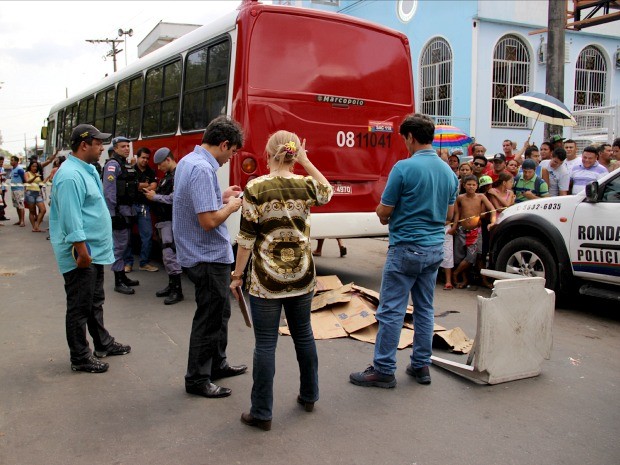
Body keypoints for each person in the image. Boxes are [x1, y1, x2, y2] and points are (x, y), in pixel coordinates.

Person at [230, 130, 333, 431]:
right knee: (304, 335)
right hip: (302, 275)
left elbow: (246, 239)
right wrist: (307, 161)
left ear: (268, 151)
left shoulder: (256, 187)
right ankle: (310, 395)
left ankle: (261, 413)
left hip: (265, 280)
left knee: (265, 345)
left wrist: (237, 276)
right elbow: (327, 192)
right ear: (293, 153)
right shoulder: (305, 185)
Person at [349, 114, 458, 388]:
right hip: (434, 249)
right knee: (425, 309)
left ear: (410, 137)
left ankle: (384, 369)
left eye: (404, 139)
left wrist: (386, 214)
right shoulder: (449, 172)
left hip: (406, 247)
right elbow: (449, 213)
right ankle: (421, 365)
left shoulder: (403, 168)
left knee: (391, 310)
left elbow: (384, 211)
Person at [173, 116, 247, 399]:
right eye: (232, 152)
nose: (231, 158)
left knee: (220, 313)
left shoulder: (189, 161)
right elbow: (208, 221)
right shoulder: (203, 169)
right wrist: (231, 205)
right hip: (206, 255)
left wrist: (221, 195)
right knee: (209, 318)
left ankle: (217, 363)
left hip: (200, 253)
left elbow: (198, 203)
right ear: (224, 144)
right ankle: (198, 379)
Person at [49, 124, 131, 373]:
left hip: (92, 251)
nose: (102, 148)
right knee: (80, 306)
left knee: (94, 300)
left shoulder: (87, 170)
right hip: (81, 253)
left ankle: (102, 343)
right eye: (98, 143)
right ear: (84, 145)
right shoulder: (70, 176)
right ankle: (80, 357)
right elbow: (71, 219)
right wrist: (82, 252)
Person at [144, 147, 183, 305]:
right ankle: (171, 285)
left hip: (170, 219)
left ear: (168, 159)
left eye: (160, 164)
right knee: (166, 254)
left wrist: (155, 197)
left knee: (169, 254)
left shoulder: (178, 175)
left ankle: (177, 290)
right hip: (163, 220)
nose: (159, 168)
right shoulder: (168, 175)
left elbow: (175, 198)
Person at [103, 136, 140, 294]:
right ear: (115, 148)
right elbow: (109, 192)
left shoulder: (124, 165)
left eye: (128, 146)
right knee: (119, 247)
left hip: (127, 210)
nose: (126, 149)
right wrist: (113, 214)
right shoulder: (113, 165)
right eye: (123, 146)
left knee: (125, 245)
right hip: (119, 212)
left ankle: (123, 276)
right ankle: (118, 281)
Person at [450, 175, 496, 289]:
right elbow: (457, 214)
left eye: (473, 185)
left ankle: (455, 273)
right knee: (460, 257)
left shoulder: (481, 197)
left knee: (471, 257)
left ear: (477, 186)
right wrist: (454, 226)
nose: (471, 187)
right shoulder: (460, 198)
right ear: (464, 185)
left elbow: (493, 210)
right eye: (469, 184)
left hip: (475, 232)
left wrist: (492, 222)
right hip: (461, 231)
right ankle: (464, 280)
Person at [124, 147, 158, 273]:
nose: (145, 160)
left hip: (144, 207)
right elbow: (130, 187)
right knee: (127, 236)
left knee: (147, 235)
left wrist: (140, 186)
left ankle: (144, 263)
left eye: (147, 158)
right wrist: (142, 186)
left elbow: (154, 186)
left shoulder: (150, 171)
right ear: (137, 157)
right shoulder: (130, 169)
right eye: (143, 157)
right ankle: (128, 263)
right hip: (130, 206)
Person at [24, 160, 47, 232]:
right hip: (30, 193)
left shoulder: (37, 174)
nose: (35, 168)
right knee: (32, 211)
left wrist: (47, 179)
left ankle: (37, 225)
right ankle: (34, 226)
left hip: (37, 193)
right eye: (33, 166)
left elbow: (41, 184)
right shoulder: (27, 173)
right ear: (30, 167)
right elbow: (27, 181)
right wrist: (34, 177)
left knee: (43, 210)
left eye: (36, 166)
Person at [9, 156, 26, 227]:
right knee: (17, 205)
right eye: (11, 160)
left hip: (19, 189)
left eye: (12, 160)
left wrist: (25, 187)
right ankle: (19, 220)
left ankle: (22, 221)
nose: (11, 162)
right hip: (13, 189)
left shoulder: (19, 169)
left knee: (21, 205)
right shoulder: (13, 169)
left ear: (16, 161)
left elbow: (24, 179)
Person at [0, 156, 9, 221]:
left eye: (2, 162)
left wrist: (4, 187)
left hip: (2, 187)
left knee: (2, 202)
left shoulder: (2, 168)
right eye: (0, 162)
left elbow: (3, 178)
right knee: (2, 203)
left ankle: (2, 215)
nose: (1, 163)